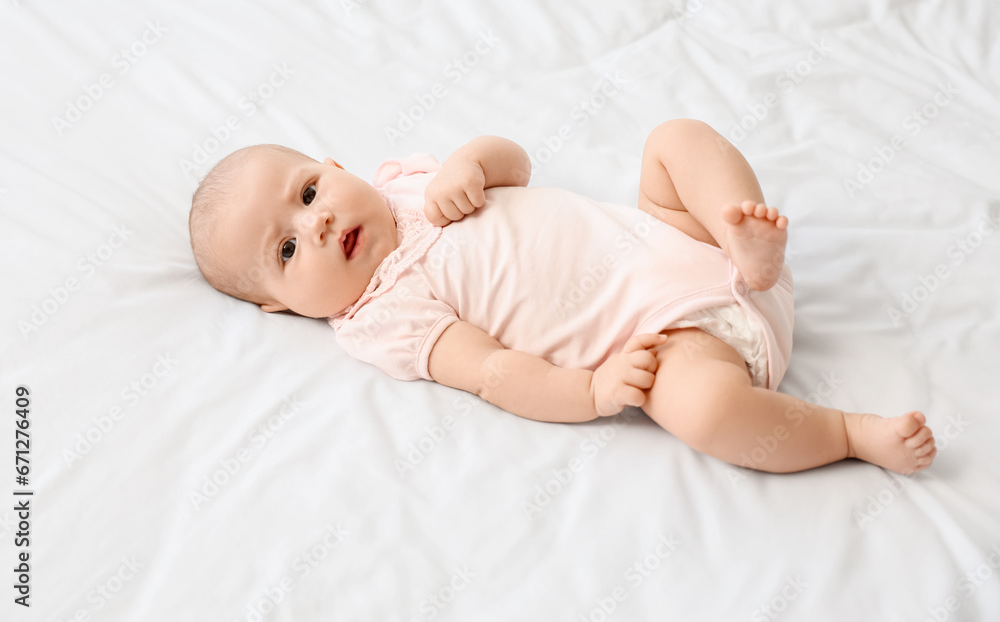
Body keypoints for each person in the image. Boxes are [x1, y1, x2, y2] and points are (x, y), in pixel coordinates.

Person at [188, 119, 936, 475]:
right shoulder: (382, 314)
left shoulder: (409, 181)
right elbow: (491, 372)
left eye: (308, 190)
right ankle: (844, 433)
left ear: (334, 163)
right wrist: (594, 389)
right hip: (681, 338)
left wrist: (469, 160)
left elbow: (517, 158)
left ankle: (746, 239)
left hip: (680, 238)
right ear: (282, 308)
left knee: (673, 141)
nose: (315, 222)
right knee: (702, 411)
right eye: (286, 250)